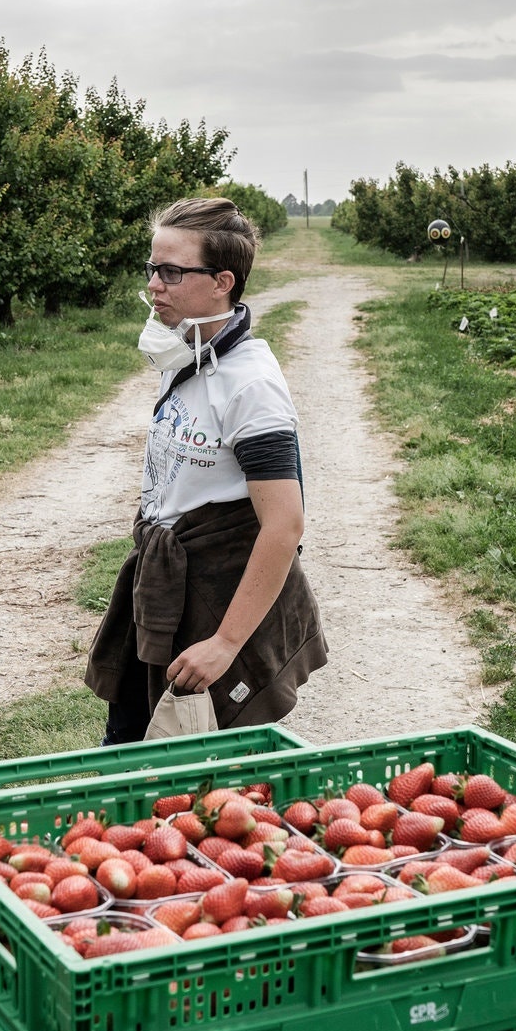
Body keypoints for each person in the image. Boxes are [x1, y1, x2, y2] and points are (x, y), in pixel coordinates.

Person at [87, 197, 326, 743]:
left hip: (216, 599)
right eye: (152, 268)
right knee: (129, 749)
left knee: (203, 786)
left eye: (171, 272)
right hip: (169, 586)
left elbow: (284, 525)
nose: (154, 285)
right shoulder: (189, 356)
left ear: (222, 281)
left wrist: (224, 644)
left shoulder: (250, 386)